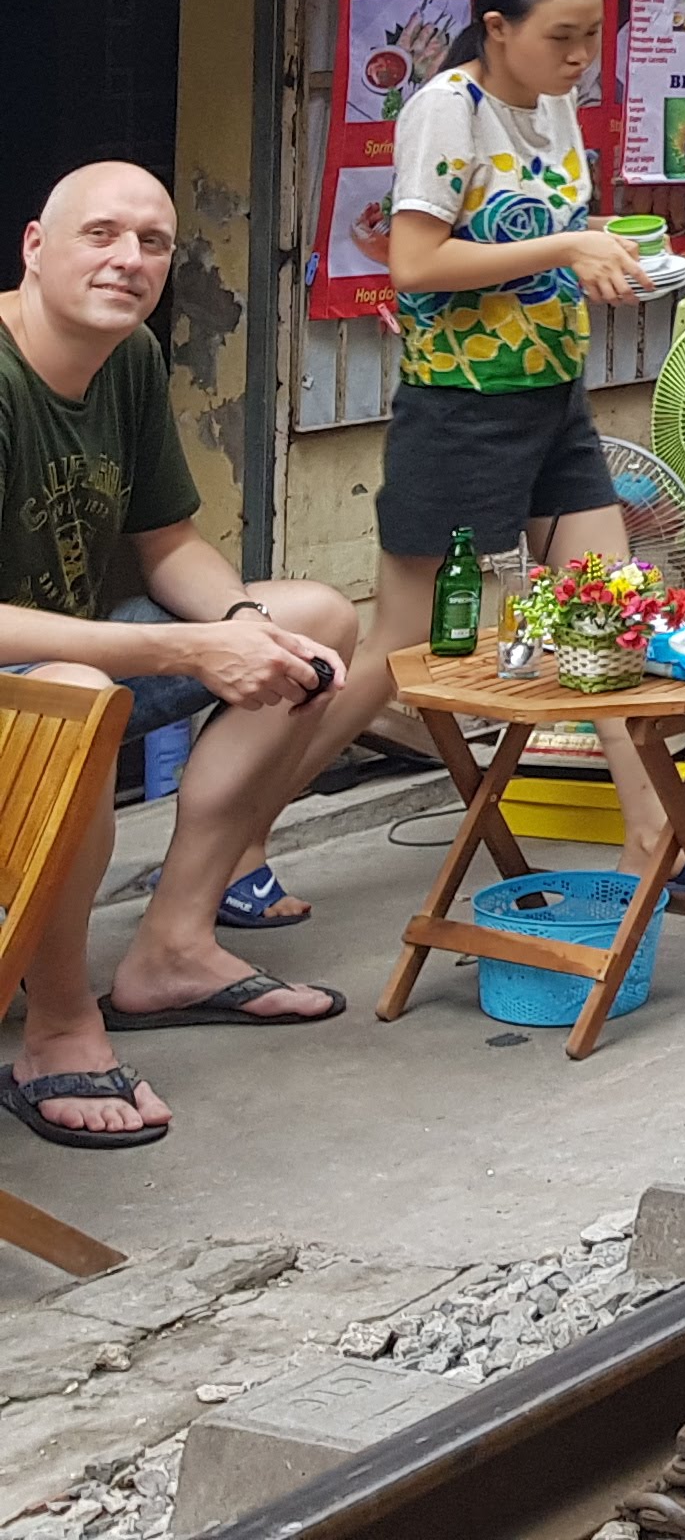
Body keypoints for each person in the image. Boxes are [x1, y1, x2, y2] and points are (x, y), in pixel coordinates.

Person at [1, 165, 366, 1141]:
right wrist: (182, 648)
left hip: (64, 667)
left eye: (153, 243)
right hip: (44, 681)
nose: (128, 260)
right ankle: (60, 1024)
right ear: (36, 246)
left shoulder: (128, 362)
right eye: (102, 234)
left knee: (316, 619)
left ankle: (172, 946)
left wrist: (241, 625)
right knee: (78, 694)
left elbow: (169, 543)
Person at [369, 0, 681, 872]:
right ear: (497, 28)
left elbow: (550, 237)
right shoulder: (445, 109)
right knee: (395, 652)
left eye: (593, 38)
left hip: (554, 396)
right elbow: (416, 262)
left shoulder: (555, 102)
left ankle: (653, 834)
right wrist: (565, 249)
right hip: (461, 408)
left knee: (607, 617)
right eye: (564, 38)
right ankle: (235, 837)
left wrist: (598, 262)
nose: (581, 59)